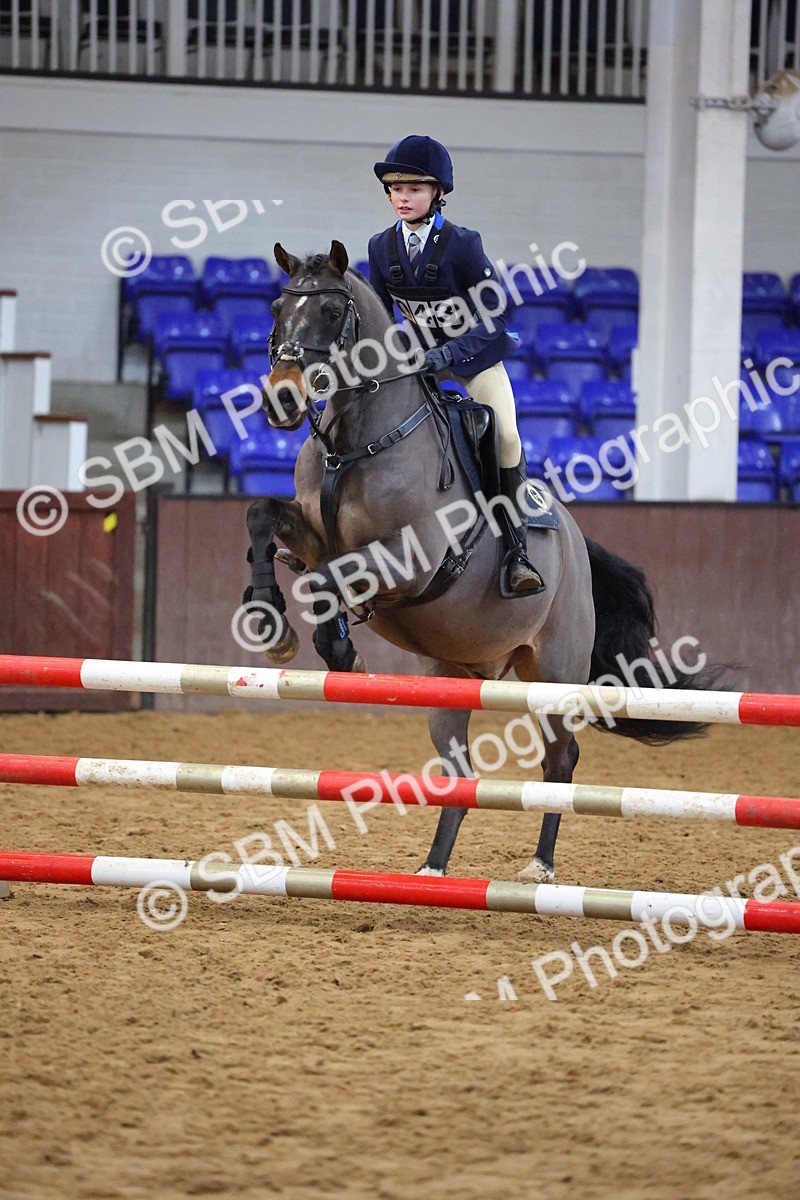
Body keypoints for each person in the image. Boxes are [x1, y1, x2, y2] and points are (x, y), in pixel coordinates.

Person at [367, 134, 545, 595]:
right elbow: (381, 315)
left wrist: (448, 354)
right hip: (418, 361)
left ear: (438, 192)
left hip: (472, 358)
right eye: (395, 189)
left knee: (506, 435)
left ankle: (517, 551)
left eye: (414, 189)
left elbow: (496, 314)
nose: (402, 197)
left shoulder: (463, 245)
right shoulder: (380, 247)